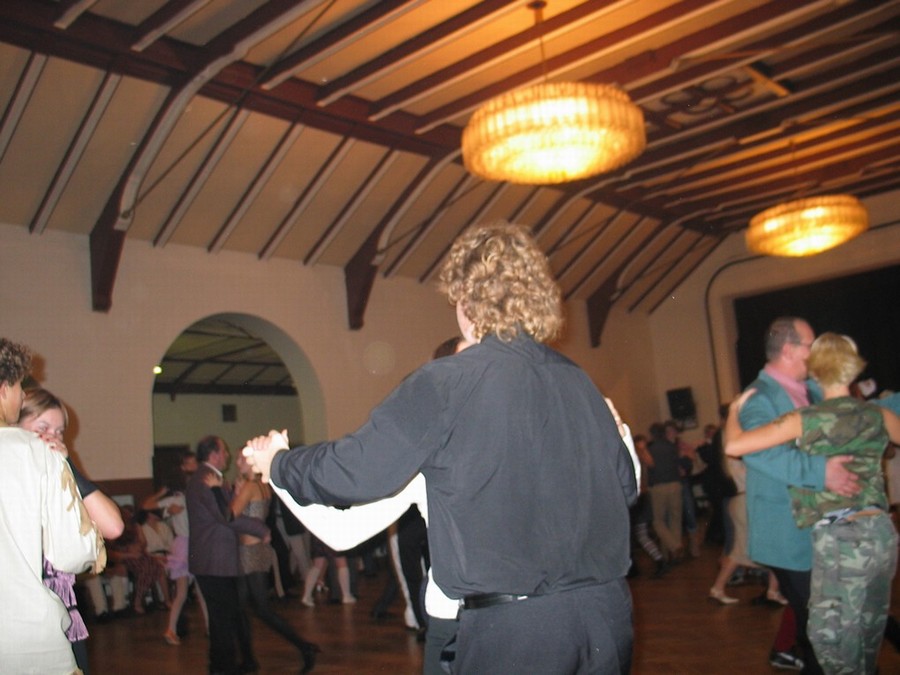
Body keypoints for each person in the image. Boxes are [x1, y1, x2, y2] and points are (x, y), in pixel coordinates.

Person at [245, 222, 637, 673]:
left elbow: (356, 469)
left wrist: (279, 462)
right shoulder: (578, 381)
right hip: (606, 617)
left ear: (465, 299)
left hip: (520, 631)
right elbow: (625, 487)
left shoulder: (448, 382)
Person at [725, 333, 900, 674]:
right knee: (867, 639)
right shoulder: (877, 414)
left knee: (832, 647)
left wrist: (734, 411)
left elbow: (735, 446)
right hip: (881, 534)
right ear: (853, 370)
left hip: (841, 539)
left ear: (816, 373)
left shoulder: (806, 418)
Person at [736, 317, 860, 673]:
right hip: (786, 531)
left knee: (823, 622)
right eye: (811, 344)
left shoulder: (813, 390)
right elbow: (758, 450)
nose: (817, 351)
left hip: (816, 527)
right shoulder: (758, 397)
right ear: (789, 350)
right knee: (819, 626)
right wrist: (822, 472)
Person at [0, 338, 105, 673]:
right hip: (26, 634)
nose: (21, 396)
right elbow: (72, 553)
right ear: (4, 388)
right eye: (19, 386)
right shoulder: (40, 451)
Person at [17, 386, 124, 674]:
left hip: (59, 609)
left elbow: (113, 526)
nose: (52, 438)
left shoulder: (58, 481)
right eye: (42, 428)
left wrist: (67, 465)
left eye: (59, 432)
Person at [186, 435, 269, 675]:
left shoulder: (207, 478)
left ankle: (222, 666)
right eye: (224, 451)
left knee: (223, 617)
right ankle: (225, 668)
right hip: (215, 561)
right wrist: (261, 529)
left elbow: (224, 512)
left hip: (214, 560)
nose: (228, 456)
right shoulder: (205, 480)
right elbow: (226, 516)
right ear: (213, 455)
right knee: (224, 618)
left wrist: (231, 493)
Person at [231, 452, 318, 673]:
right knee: (242, 608)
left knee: (260, 609)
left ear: (250, 462)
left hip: (249, 551)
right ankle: (248, 660)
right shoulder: (262, 485)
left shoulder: (250, 486)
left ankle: (304, 647)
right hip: (254, 549)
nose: (237, 462)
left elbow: (230, 514)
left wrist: (234, 494)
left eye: (241, 458)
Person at [143, 450, 209, 645]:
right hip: (187, 545)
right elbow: (147, 505)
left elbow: (148, 505)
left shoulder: (186, 497)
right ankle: (172, 630)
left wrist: (165, 500)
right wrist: (165, 495)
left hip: (191, 544)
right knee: (188, 592)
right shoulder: (180, 498)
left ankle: (200, 628)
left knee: (194, 591)